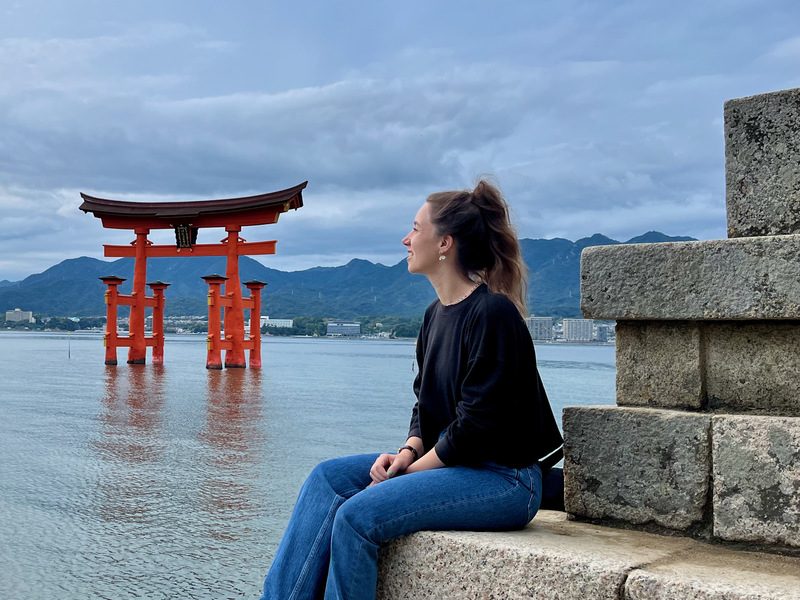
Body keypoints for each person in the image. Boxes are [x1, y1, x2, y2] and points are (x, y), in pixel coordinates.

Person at [260, 179, 563, 600]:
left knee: (355, 516)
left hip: (506, 479)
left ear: (445, 243)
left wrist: (401, 475)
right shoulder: (433, 316)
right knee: (326, 479)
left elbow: (475, 429)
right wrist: (406, 452)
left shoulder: (493, 313)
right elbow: (425, 406)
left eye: (415, 229)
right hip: (456, 466)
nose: (406, 239)